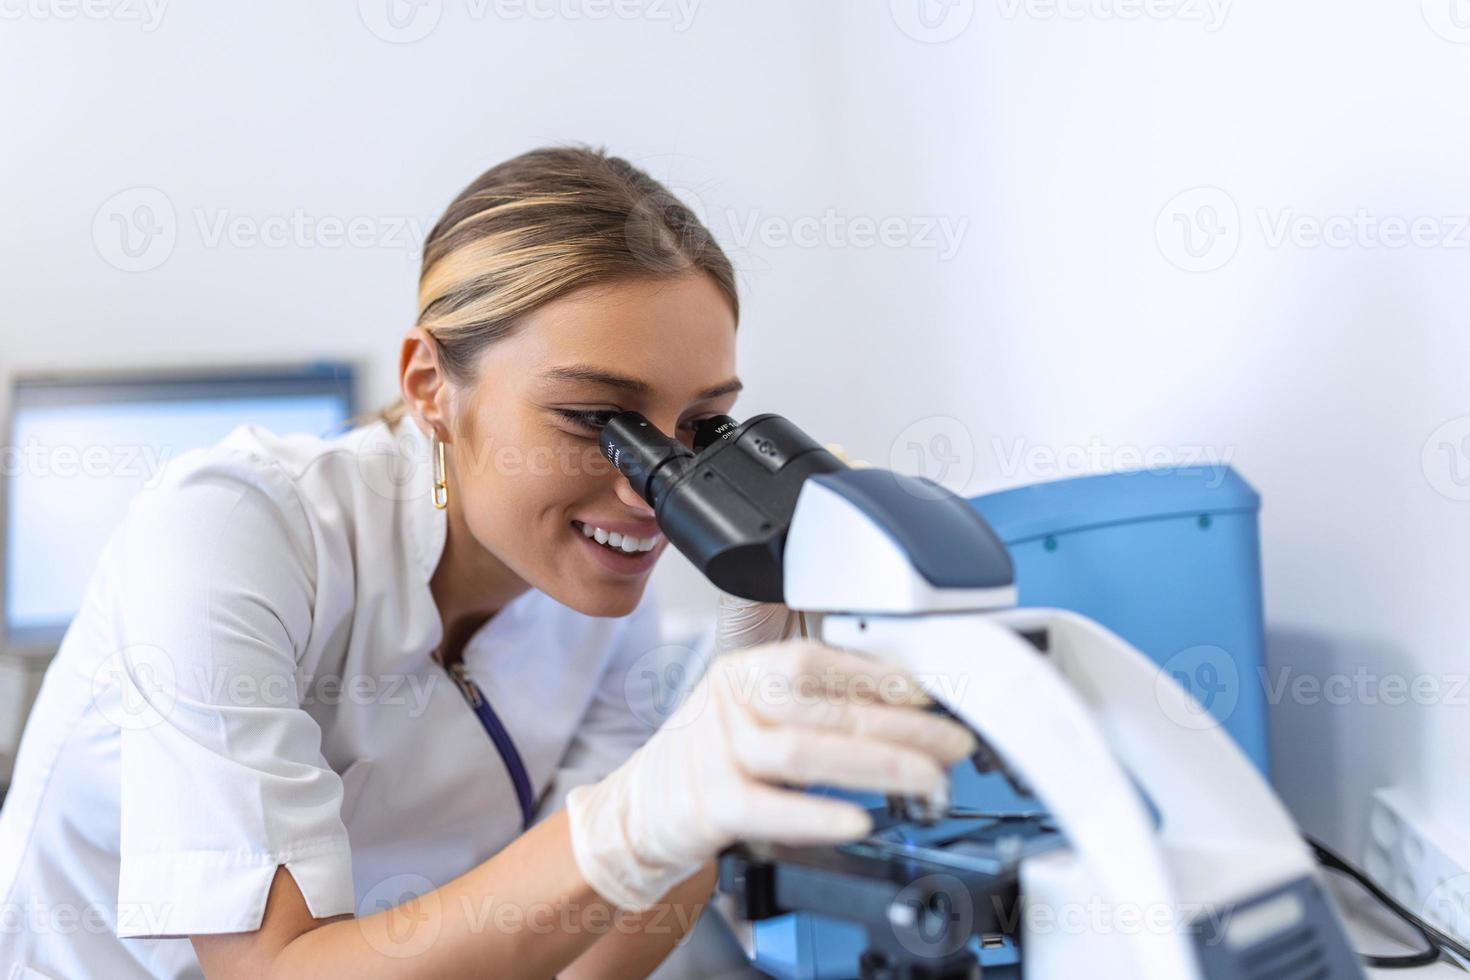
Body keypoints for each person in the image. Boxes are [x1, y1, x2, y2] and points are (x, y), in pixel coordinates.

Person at [0, 145, 975, 979]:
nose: (649, 494)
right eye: (596, 419)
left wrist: (723, 736)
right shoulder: (233, 529)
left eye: (701, 426)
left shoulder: (599, 595)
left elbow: (583, 958)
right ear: (431, 384)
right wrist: (639, 812)